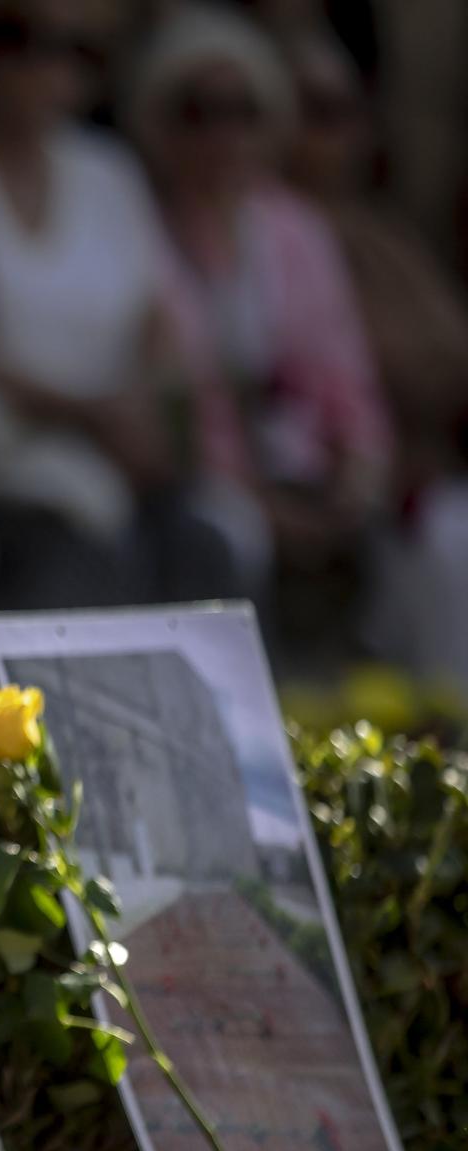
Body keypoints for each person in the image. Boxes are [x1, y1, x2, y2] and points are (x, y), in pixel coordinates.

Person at [0, 0, 233, 689]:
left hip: (117, 450)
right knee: (68, 550)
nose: (47, 70)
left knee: (210, 548)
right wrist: (88, 414)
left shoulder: (109, 173)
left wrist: (149, 419)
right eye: (21, 40)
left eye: (76, 50)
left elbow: (158, 328)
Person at [129, 4, 393, 667]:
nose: (224, 135)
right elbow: (177, 404)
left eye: (242, 111)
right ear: (161, 122)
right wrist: (268, 505)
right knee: (231, 533)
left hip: (308, 478)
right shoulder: (138, 231)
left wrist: (357, 473)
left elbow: (345, 378)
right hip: (207, 487)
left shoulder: (296, 232)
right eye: (200, 111)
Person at [281, 25, 468, 683]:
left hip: (416, 470)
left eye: (347, 114)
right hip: (331, 478)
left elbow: (449, 357)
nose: (340, 134)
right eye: (318, 114)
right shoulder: (271, 228)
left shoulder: (381, 233)